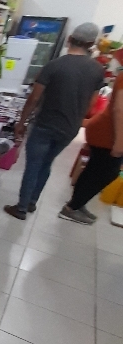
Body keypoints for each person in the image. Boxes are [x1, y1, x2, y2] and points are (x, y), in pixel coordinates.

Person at [4, 22, 104, 220]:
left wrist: (21, 122)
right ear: (91, 44)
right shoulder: (97, 69)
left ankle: (21, 208)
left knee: (33, 165)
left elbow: (34, 97)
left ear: (69, 40)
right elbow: (91, 104)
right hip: (70, 128)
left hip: (45, 124)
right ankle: (32, 202)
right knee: (46, 163)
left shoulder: (54, 65)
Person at [60, 59, 123, 223]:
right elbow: (119, 110)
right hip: (108, 133)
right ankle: (72, 207)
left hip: (108, 131)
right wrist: (119, 141)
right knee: (108, 172)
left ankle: (76, 204)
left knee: (94, 169)